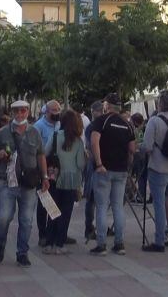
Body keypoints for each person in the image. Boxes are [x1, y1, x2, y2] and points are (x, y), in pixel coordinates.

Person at [0, 100, 49, 267]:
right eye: (16, 111)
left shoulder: (34, 132)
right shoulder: (2, 132)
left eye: (23, 111)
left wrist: (44, 177)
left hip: (28, 183)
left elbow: (41, 155)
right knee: (3, 218)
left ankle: (22, 253)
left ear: (28, 112)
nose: (20, 114)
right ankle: (0, 244)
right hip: (7, 181)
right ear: (12, 112)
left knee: (26, 220)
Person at [89, 93, 135, 256]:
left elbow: (94, 142)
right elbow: (132, 149)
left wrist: (99, 163)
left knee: (101, 207)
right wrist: (128, 167)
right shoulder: (127, 124)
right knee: (118, 207)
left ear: (106, 106)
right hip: (121, 170)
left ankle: (101, 244)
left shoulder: (101, 121)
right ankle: (119, 243)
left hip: (104, 170)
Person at [140, 91, 168, 252]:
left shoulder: (154, 121)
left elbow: (147, 146)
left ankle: (159, 241)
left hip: (158, 168)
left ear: (160, 104)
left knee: (159, 204)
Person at [45, 109, 86, 254]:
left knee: (52, 211)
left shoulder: (55, 135)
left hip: (54, 177)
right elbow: (81, 164)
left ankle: (48, 243)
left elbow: (45, 152)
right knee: (65, 212)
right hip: (71, 180)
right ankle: (60, 244)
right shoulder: (78, 141)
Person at [33, 100, 61, 247]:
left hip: (57, 169)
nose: (56, 113)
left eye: (58, 110)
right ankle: (42, 234)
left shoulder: (60, 124)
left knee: (56, 201)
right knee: (44, 202)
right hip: (43, 167)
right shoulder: (38, 126)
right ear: (47, 111)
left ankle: (55, 231)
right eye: (53, 110)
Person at [83, 100, 104, 241]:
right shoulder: (92, 127)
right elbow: (91, 146)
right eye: (99, 111)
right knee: (91, 198)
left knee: (95, 199)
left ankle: (94, 226)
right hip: (93, 164)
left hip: (95, 163)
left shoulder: (94, 125)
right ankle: (89, 228)